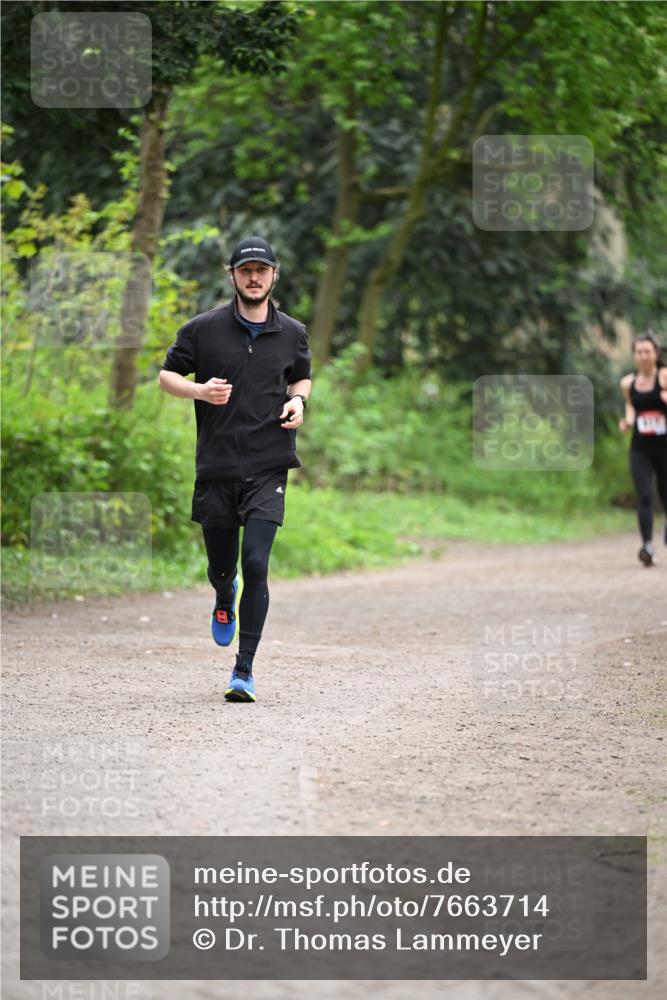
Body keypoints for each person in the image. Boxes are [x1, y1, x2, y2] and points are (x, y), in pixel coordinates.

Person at [158, 236, 312, 701]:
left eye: (261, 270)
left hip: (269, 464)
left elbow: (301, 374)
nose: (253, 277)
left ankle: (243, 670)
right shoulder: (203, 329)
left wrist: (299, 400)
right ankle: (225, 596)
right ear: (232, 275)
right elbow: (167, 377)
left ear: (273, 275)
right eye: (245, 270)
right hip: (217, 466)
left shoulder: (292, 332)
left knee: (257, 562)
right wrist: (200, 391)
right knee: (222, 568)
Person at [619, 330, 667, 566]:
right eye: (639, 352)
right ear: (634, 356)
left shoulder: (665, 376)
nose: (644, 356)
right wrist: (627, 421)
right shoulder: (628, 383)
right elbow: (631, 407)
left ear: (656, 353)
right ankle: (647, 545)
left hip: (665, 447)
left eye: (648, 351)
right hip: (640, 448)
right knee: (645, 495)